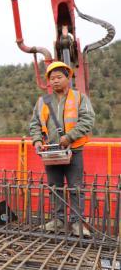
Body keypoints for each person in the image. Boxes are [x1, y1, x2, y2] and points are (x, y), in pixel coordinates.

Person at [29, 61, 95, 236]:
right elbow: (35, 124)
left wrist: (69, 137)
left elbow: (87, 121)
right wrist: (37, 140)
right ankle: (58, 221)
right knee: (54, 187)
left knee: (75, 187)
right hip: (51, 151)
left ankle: (77, 223)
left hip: (74, 150)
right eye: (52, 78)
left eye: (59, 77)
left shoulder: (79, 98)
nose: (55, 81)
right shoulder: (43, 101)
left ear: (68, 78)